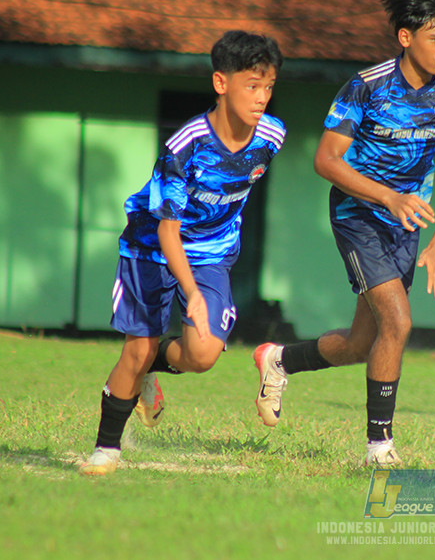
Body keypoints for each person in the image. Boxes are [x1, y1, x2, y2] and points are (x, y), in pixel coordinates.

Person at [252, 0, 435, 466]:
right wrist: (388, 196)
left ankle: (279, 360)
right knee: (398, 321)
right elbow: (327, 161)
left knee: (364, 343)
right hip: (358, 213)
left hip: (408, 221)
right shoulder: (366, 86)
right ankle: (380, 447)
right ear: (405, 37)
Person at [79, 30, 285, 476]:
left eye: (269, 86)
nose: (262, 97)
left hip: (212, 252)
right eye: (252, 85)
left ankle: (154, 363)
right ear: (221, 83)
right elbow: (168, 229)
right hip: (151, 248)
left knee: (205, 354)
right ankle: (106, 449)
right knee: (135, 350)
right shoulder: (185, 145)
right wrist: (190, 292)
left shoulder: (272, 135)